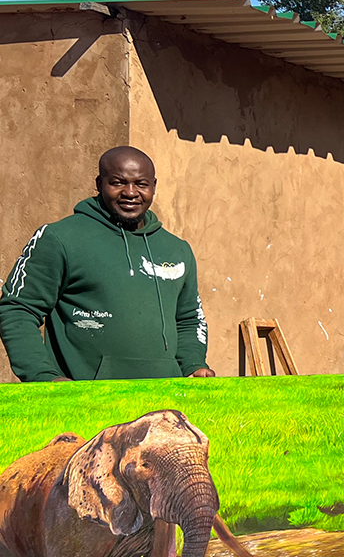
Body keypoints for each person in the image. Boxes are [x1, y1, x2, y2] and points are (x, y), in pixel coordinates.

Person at [0, 147, 213, 382]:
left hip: (166, 398)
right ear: (100, 183)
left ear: (153, 186)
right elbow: (17, 309)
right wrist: (43, 377)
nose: (130, 193)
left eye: (141, 184)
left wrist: (193, 364)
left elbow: (189, 318)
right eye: (118, 182)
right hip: (85, 400)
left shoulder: (177, 249)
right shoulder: (61, 238)